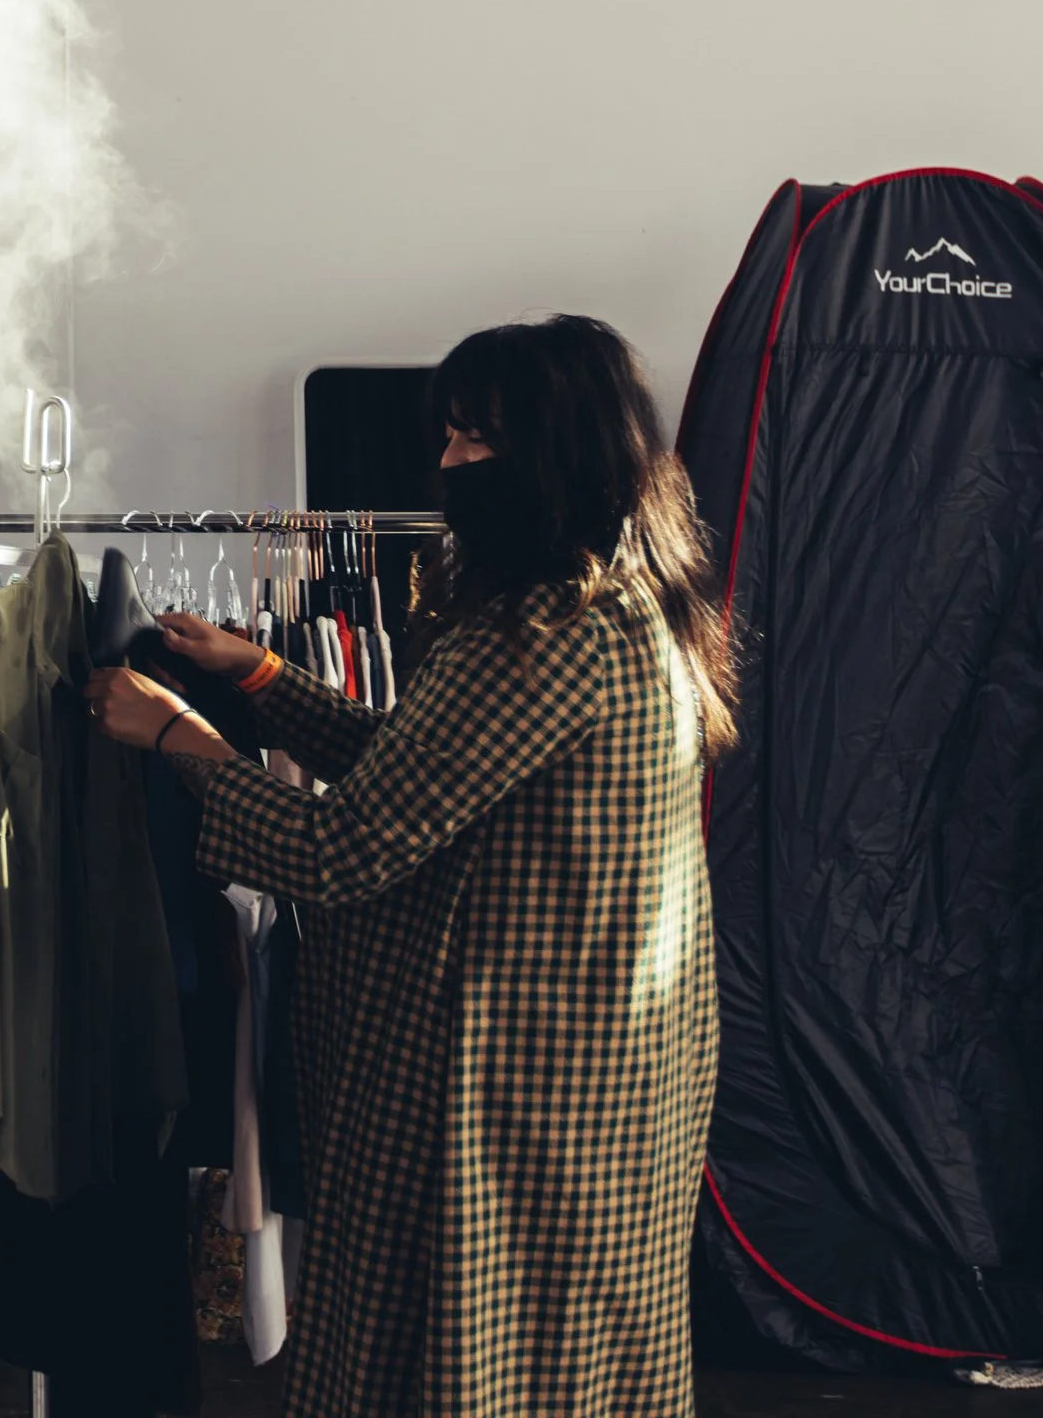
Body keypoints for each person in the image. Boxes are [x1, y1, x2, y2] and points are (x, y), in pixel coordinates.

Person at [85, 316, 734, 1418]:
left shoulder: (538, 633)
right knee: (579, 1351)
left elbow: (341, 847)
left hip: (518, 1086)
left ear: (554, 452)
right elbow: (426, 767)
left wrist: (175, 738)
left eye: (477, 440)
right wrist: (260, 678)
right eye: (450, 435)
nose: (448, 462)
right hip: (614, 1071)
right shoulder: (632, 609)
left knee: (481, 1353)